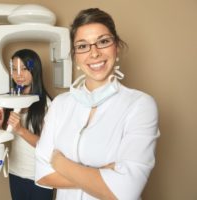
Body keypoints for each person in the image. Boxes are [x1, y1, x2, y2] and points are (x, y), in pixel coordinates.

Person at [35, 8, 160, 200]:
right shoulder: (59, 104)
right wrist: (102, 173)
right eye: (83, 46)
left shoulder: (140, 105)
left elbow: (124, 192)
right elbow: (43, 176)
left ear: (116, 46)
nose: (94, 53)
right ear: (75, 55)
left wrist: (60, 164)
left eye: (103, 41)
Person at [0, 49, 53, 200]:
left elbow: (48, 146)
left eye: (24, 69)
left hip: (39, 175)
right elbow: (5, 135)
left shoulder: (46, 105)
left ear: (35, 70)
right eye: (14, 69)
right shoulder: (9, 101)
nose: (18, 74)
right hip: (16, 172)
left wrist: (20, 130)